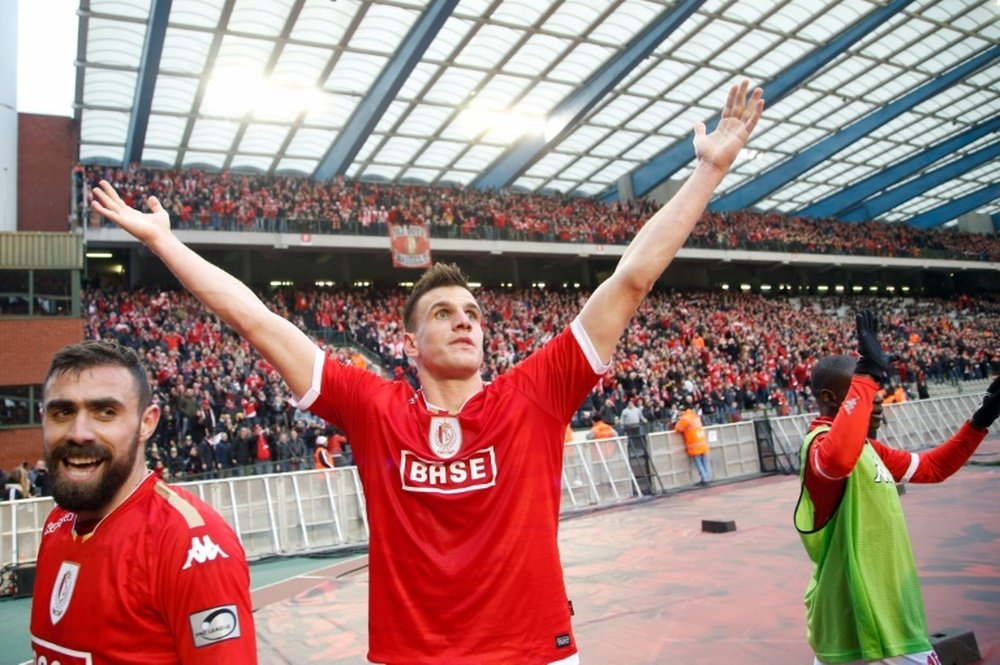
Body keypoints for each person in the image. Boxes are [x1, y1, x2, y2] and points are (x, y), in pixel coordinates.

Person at [90, 80, 764, 664]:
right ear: (409, 343)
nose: (465, 320)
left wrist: (706, 173)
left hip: (534, 650)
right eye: (443, 312)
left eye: (472, 311)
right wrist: (165, 241)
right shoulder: (374, 406)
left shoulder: (533, 394)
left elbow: (633, 277)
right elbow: (260, 322)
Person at [30, 340, 257, 663]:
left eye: (105, 412)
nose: (79, 432)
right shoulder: (57, 522)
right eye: (62, 412)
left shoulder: (189, 543)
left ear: (147, 423)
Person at [794, 310, 1000, 665]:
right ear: (829, 398)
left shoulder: (870, 450)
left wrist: (981, 420)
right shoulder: (819, 446)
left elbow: (934, 467)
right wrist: (867, 374)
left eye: (877, 401)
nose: (878, 410)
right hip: (860, 625)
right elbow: (836, 461)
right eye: (866, 400)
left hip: (883, 619)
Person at [675, 401, 711, 485]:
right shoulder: (695, 416)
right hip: (702, 441)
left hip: (694, 443)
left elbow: (678, 429)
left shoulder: (685, 418)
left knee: (698, 462)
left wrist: (678, 420)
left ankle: (704, 478)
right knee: (704, 461)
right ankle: (707, 477)